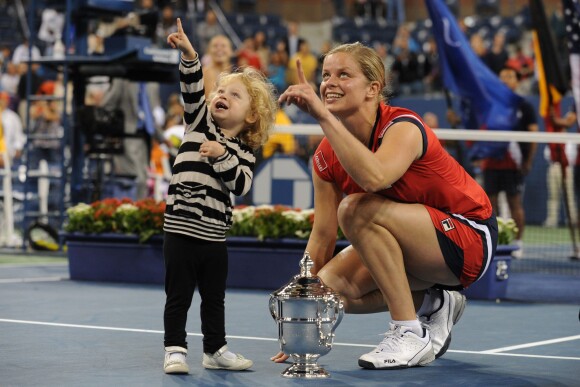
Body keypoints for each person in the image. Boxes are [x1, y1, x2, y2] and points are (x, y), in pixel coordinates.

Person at [272, 42, 497, 369]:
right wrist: (303, 313)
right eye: (326, 75)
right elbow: (322, 236)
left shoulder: (403, 127)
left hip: (467, 238)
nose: (330, 83)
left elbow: (375, 177)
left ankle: (409, 331)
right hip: (412, 245)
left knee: (354, 209)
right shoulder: (325, 155)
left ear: (373, 88)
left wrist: (322, 115)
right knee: (329, 292)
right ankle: (435, 302)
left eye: (343, 75)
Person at [163, 18, 277, 374]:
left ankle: (214, 349)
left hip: (215, 238)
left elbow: (241, 185)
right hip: (180, 230)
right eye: (220, 91)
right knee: (178, 296)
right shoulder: (199, 122)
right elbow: (193, 88)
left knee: (214, 299)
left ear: (251, 115)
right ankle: (175, 349)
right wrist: (190, 54)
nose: (222, 96)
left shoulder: (243, 151)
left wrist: (222, 155)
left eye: (234, 94)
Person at [480, 66, 538, 259]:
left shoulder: (524, 106)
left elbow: (533, 135)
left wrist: (528, 161)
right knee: (490, 206)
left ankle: (518, 243)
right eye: (502, 76)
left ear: (516, 81)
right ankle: (493, 243)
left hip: (514, 164)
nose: (505, 79)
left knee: (515, 204)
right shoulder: (489, 104)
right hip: (491, 165)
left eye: (510, 76)